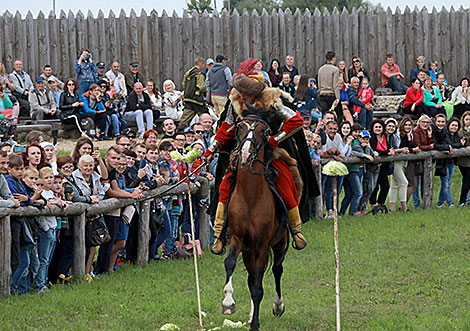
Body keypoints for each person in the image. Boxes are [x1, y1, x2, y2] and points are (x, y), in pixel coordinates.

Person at [205, 72, 314, 254]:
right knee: (225, 185)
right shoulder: (236, 102)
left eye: (243, 93)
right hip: (243, 152)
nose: (240, 96)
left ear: (253, 93)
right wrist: (211, 149)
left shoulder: (272, 101)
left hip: (270, 153)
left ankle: (296, 230)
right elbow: (227, 127)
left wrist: (274, 140)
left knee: (286, 182)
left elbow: (296, 120)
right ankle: (219, 235)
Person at [71, 154, 109, 276]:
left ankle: (88, 272)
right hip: (80, 215)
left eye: (90, 165)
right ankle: (76, 273)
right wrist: (88, 199)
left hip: (94, 214)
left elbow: (101, 192)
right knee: (79, 245)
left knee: (92, 244)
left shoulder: (95, 177)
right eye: (85, 166)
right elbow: (74, 196)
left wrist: (97, 199)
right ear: (80, 166)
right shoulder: (73, 177)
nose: (88, 168)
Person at [340, 129, 374, 216]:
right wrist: (364, 154)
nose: (365, 140)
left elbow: (371, 154)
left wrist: (368, 147)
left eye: (367, 139)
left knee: (350, 193)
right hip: (353, 170)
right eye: (363, 138)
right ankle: (352, 212)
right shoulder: (355, 144)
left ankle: (342, 212)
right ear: (359, 137)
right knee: (358, 192)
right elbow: (356, 153)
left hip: (361, 169)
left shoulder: (365, 146)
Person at [433, 114, 461, 208]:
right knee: (445, 183)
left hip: (451, 161)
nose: (454, 127)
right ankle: (450, 203)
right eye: (452, 125)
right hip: (442, 162)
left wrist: (455, 145)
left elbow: (455, 144)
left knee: (446, 183)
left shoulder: (451, 133)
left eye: (456, 126)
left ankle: (440, 203)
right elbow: (440, 145)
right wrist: (450, 146)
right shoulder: (441, 132)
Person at [369, 119, 395, 210]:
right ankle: (373, 205)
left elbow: (388, 148)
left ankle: (381, 204)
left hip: (383, 165)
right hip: (374, 165)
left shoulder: (384, 136)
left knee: (385, 186)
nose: (378, 129)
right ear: (372, 128)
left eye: (380, 127)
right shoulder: (371, 137)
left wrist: (389, 151)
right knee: (375, 186)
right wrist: (387, 152)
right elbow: (373, 150)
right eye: (376, 127)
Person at [385, 118, 409, 212]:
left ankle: (392, 207)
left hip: (398, 160)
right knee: (404, 182)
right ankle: (404, 206)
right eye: (389, 126)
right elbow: (391, 149)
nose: (391, 128)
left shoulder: (394, 136)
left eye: (393, 126)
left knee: (394, 184)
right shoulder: (387, 136)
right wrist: (401, 150)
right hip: (392, 161)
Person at [412, 115, 434, 209]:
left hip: (424, 159)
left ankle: (425, 201)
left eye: (427, 122)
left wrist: (429, 136)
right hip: (417, 159)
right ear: (419, 122)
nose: (425, 124)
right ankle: (417, 203)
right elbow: (418, 145)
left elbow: (429, 143)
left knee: (425, 181)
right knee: (416, 182)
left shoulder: (427, 131)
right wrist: (430, 147)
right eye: (423, 122)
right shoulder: (416, 131)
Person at [180, 57, 208, 128]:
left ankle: (179, 132)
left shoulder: (188, 73)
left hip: (188, 99)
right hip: (197, 100)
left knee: (184, 120)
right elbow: (201, 86)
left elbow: (183, 84)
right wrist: (206, 89)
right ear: (201, 64)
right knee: (206, 118)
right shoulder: (199, 74)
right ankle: (211, 133)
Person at [398, 116, 421, 205]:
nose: (407, 127)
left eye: (409, 125)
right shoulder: (400, 135)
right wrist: (413, 150)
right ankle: (403, 205)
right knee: (410, 183)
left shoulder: (410, 135)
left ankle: (403, 204)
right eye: (405, 125)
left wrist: (409, 138)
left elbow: (412, 146)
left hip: (411, 160)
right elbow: (403, 147)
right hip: (404, 161)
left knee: (413, 184)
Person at [317, 51, 342, 123]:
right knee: (339, 114)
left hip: (322, 95)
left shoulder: (321, 69)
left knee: (325, 114)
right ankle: (336, 128)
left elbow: (319, 83)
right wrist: (337, 97)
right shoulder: (335, 69)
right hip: (331, 95)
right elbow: (335, 85)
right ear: (333, 59)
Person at [457, 111, 470, 206]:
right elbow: (462, 142)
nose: (468, 122)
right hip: (463, 160)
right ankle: (462, 200)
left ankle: (467, 200)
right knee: (467, 179)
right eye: (467, 119)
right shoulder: (460, 131)